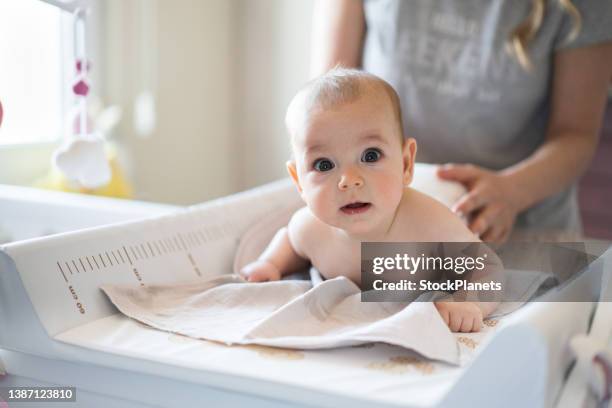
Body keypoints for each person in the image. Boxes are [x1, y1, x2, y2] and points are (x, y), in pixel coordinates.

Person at [310, 0, 612, 243]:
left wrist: (512, 191)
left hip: (524, 229)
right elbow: (327, 104)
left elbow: (575, 135)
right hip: (387, 223)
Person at [240, 69, 500, 333]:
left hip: (448, 196)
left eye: (371, 156)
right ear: (299, 182)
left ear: (406, 163)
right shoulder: (310, 229)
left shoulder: (430, 226)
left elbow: (489, 269)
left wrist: (470, 303)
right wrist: (271, 263)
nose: (349, 180)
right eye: (324, 164)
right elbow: (291, 242)